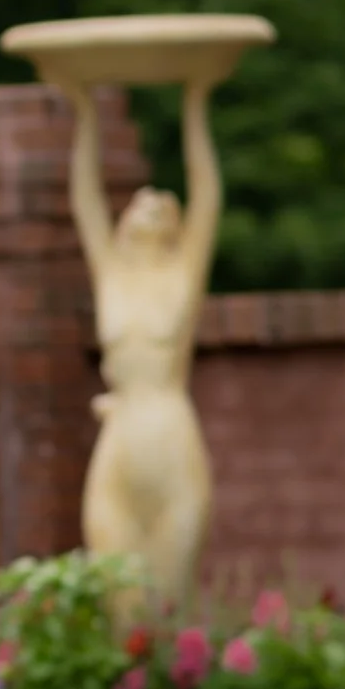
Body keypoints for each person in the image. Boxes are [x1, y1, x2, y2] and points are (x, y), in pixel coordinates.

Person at [62, 77, 222, 613]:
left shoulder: (182, 276)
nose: (148, 205)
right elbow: (84, 197)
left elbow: (207, 193)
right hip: (119, 448)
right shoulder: (110, 275)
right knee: (116, 603)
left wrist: (195, 102)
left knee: (169, 610)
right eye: (139, 202)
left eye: (161, 204)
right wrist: (84, 110)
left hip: (172, 441)